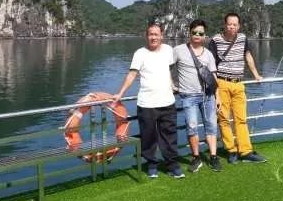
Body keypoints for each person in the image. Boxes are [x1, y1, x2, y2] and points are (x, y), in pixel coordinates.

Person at [113, 22, 185, 179]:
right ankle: (152, 164)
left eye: (156, 34)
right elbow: (132, 74)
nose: (153, 37)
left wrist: (173, 85)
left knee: (170, 136)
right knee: (148, 136)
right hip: (146, 103)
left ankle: (172, 165)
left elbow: (170, 70)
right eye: (151, 34)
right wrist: (120, 93)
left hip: (167, 102)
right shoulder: (140, 53)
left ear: (161, 36)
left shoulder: (168, 50)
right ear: (146, 36)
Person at [208, 13, 267, 163]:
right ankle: (231, 150)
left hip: (239, 83)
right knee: (223, 119)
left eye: (235, 25)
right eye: (229, 24)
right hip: (222, 83)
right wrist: (215, 88)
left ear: (238, 26)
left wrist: (256, 74)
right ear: (224, 24)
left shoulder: (242, 38)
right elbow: (210, 64)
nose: (232, 27)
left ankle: (245, 151)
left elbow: (248, 56)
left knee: (241, 119)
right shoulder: (215, 40)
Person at [173, 19, 222, 173]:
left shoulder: (208, 54)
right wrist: (171, 84)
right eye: (194, 32)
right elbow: (167, 67)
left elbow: (214, 76)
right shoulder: (178, 50)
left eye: (200, 33)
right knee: (192, 126)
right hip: (188, 96)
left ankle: (213, 157)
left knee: (211, 126)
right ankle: (196, 157)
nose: (197, 35)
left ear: (205, 36)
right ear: (189, 33)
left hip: (208, 96)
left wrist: (218, 96)